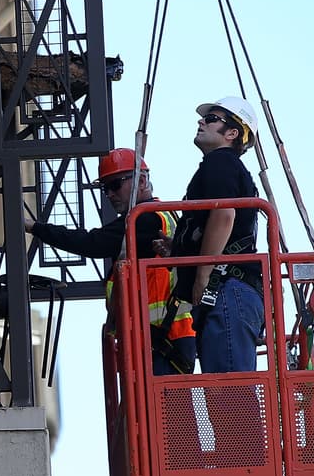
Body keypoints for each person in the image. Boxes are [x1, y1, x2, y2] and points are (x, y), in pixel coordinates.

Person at [24, 148, 196, 374]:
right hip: (162, 338)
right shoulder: (162, 216)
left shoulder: (144, 220)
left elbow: (91, 242)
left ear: (142, 181)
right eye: (105, 188)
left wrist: (34, 227)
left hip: (163, 340)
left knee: (166, 407)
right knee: (169, 407)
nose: (109, 194)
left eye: (115, 185)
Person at [171, 96, 265, 374]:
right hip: (233, 290)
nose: (202, 121)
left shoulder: (220, 162)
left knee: (229, 403)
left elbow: (224, 215)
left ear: (232, 133)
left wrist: (202, 275)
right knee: (227, 403)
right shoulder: (226, 167)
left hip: (225, 289)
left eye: (212, 119)